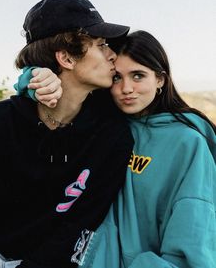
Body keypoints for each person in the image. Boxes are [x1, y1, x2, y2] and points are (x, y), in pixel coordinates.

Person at [22, 30, 216, 268]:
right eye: (117, 78)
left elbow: (192, 240)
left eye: (138, 76)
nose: (126, 88)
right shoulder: (104, 125)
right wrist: (34, 79)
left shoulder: (187, 143)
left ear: (160, 80)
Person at [0, 0, 134, 268]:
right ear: (66, 57)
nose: (113, 55)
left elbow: (81, 224)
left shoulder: (112, 136)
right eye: (101, 45)